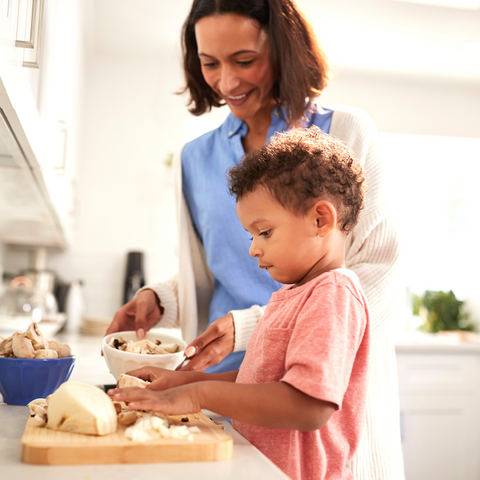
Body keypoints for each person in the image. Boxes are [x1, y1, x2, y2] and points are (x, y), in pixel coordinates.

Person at [105, 0, 405, 478]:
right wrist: (160, 297)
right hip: (233, 400)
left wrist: (254, 325)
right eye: (210, 63)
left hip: (316, 427)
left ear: (283, 49)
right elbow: (214, 267)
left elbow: (378, 278)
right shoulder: (194, 158)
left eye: (244, 60)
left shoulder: (346, 132)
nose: (226, 81)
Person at [109, 128, 371, 480]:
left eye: (264, 232)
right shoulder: (296, 293)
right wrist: (183, 383)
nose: (253, 249)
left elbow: (309, 406)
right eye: (251, 236)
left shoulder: (334, 295)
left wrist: (199, 394)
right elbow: (262, 380)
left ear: (320, 219)